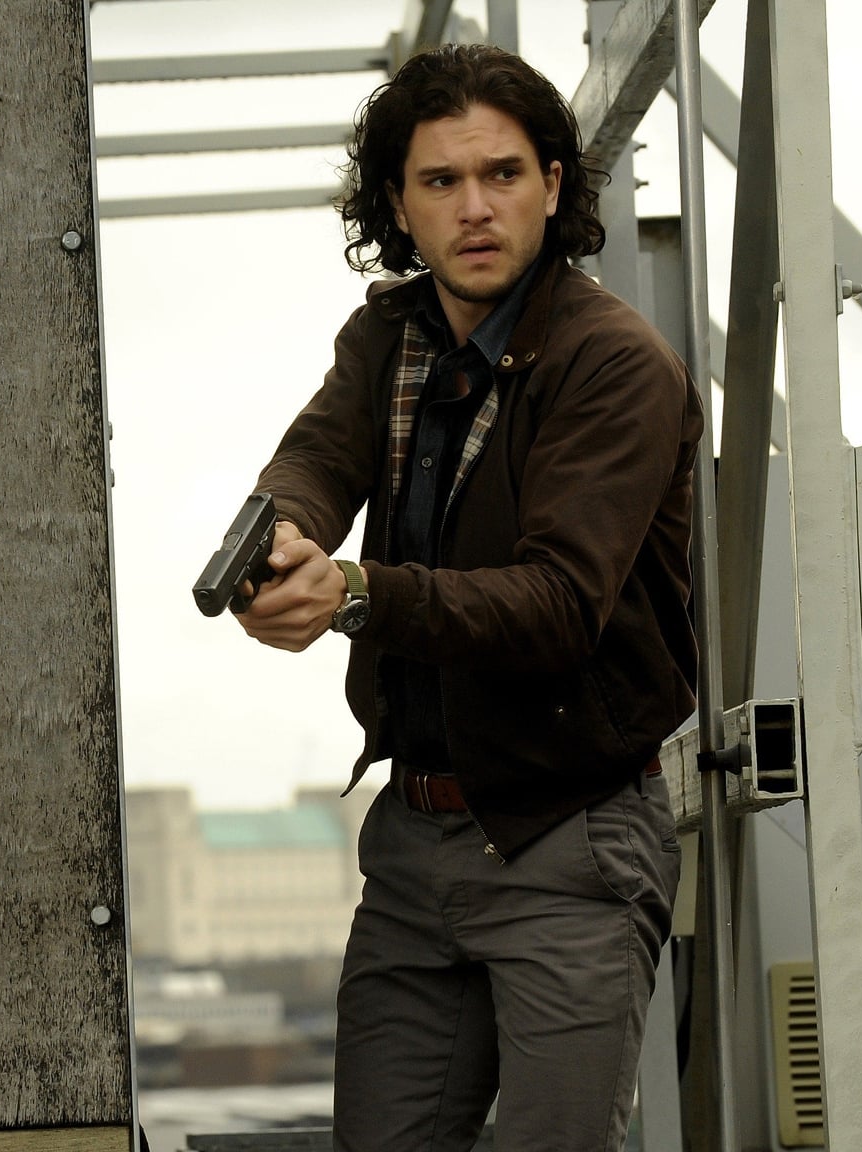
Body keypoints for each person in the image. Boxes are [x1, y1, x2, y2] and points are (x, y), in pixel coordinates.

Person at [233, 44, 703, 1151]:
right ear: (398, 205)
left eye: (501, 174)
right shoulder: (388, 337)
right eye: (440, 181)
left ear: (552, 183)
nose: (474, 208)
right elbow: (313, 461)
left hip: (568, 834)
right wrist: (278, 545)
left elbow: (556, 606)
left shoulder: (613, 363)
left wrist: (351, 594)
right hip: (414, 839)